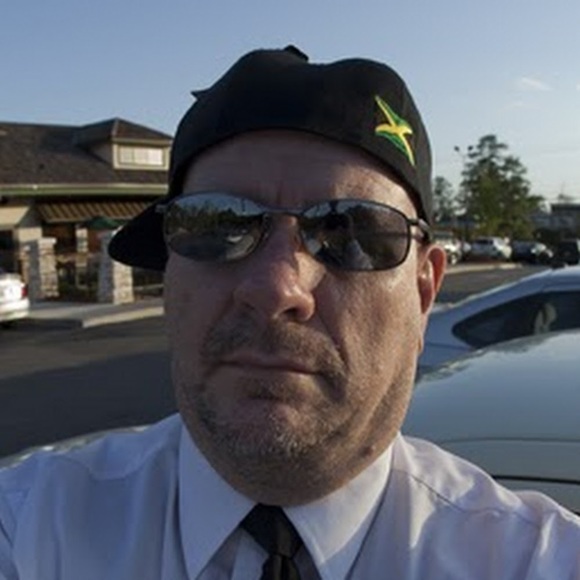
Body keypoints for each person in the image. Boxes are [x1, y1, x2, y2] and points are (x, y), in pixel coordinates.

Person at [1, 46, 579, 580]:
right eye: (218, 224)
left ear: (423, 293)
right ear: (171, 273)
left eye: (352, 233)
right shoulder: (29, 528)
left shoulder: (535, 561)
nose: (277, 287)